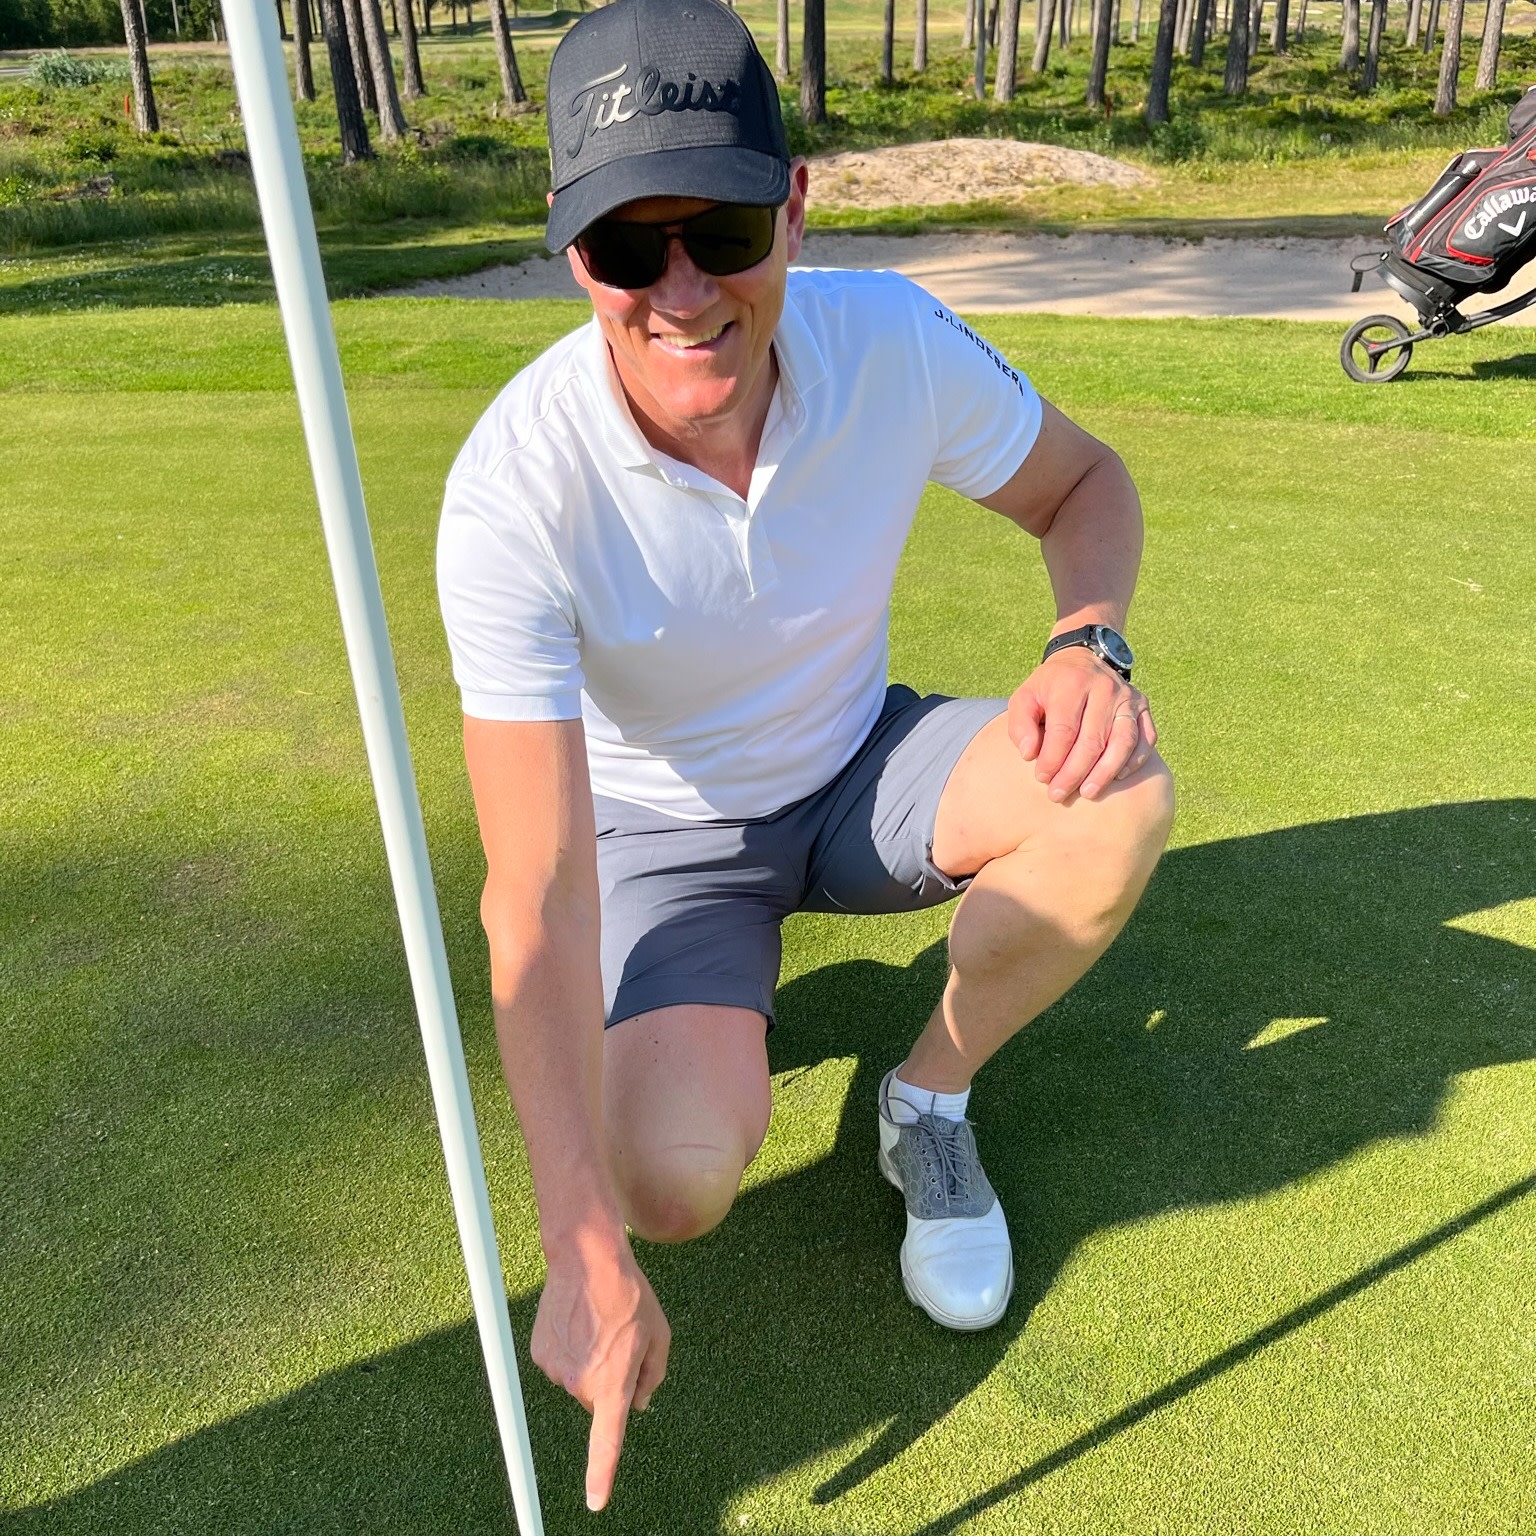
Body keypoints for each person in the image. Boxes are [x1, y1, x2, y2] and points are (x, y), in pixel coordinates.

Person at [436, 0, 1174, 1511]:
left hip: (858, 771)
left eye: (719, 225)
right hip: (663, 847)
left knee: (1116, 796)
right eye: (629, 248)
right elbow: (538, 881)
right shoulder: (513, 487)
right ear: (573, 256)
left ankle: (930, 1102)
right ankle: (721, 999)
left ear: (794, 203)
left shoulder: (888, 340)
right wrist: (578, 1232)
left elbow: (1083, 482)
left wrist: (1084, 639)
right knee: (673, 1185)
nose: (683, 288)